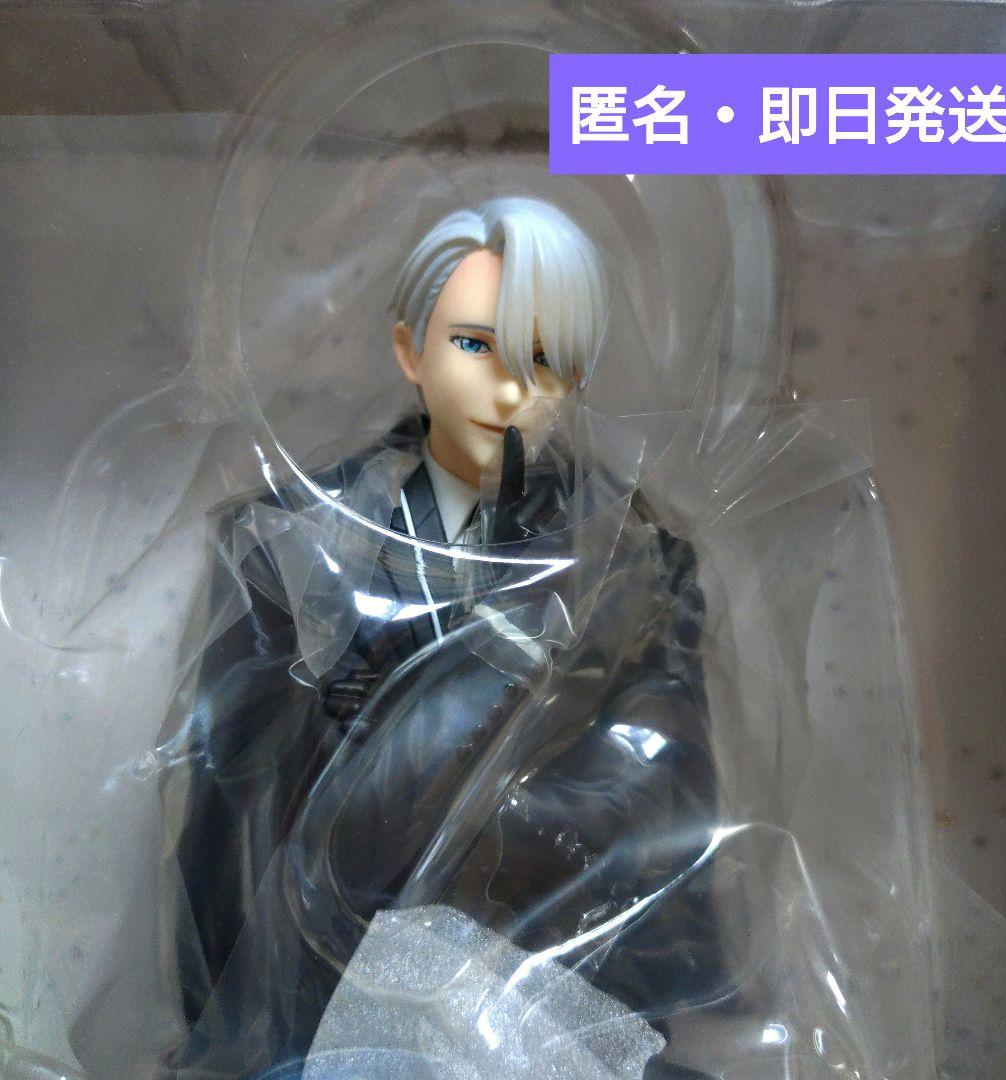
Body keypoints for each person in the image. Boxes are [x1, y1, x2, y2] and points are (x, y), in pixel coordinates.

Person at [161, 198, 723, 1076]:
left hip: (542, 983)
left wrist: (642, 981)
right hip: (327, 985)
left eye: (543, 359)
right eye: (474, 344)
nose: (509, 389)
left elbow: (670, 797)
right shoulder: (289, 538)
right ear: (409, 349)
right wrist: (222, 1015)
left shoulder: (633, 558)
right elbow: (227, 802)